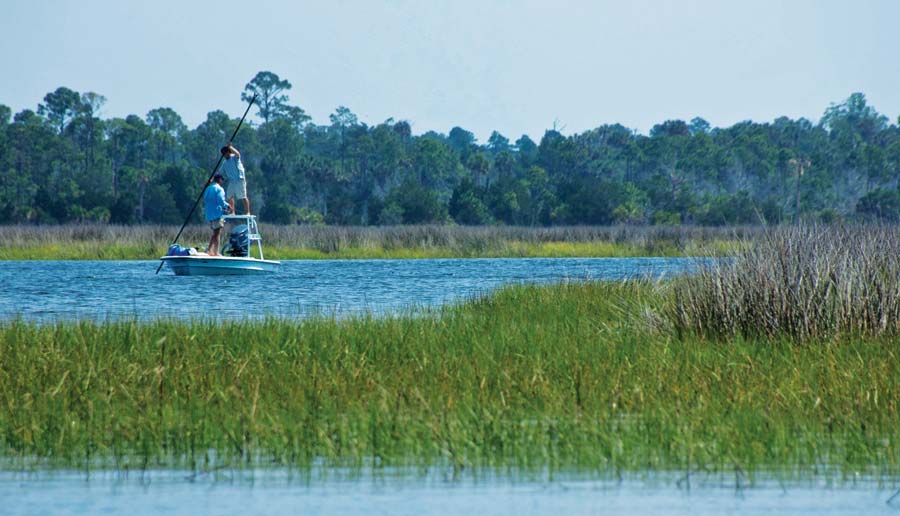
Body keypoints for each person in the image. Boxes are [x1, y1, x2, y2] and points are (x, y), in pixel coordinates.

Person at [204, 173, 230, 256]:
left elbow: (206, 199)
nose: (222, 181)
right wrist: (228, 206)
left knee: (215, 233)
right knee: (217, 233)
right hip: (217, 213)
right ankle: (215, 252)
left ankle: (208, 249)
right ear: (219, 180)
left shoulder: (208, 189)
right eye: (222, 180)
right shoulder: (219, 189)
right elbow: (220, 201)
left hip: (209, 213)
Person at [221, 143, 250, 215]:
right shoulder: (225, 163)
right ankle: (232, 211)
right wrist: (212, 180)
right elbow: (219, 172)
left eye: (225, 153)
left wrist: (230, 147)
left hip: (239, 179)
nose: (225, 155)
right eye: (223, 154)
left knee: (243, 196)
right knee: (229, 196)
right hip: (232, 181)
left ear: (228, 152)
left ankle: (247, 211)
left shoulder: (234, 157)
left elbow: (238, 154)